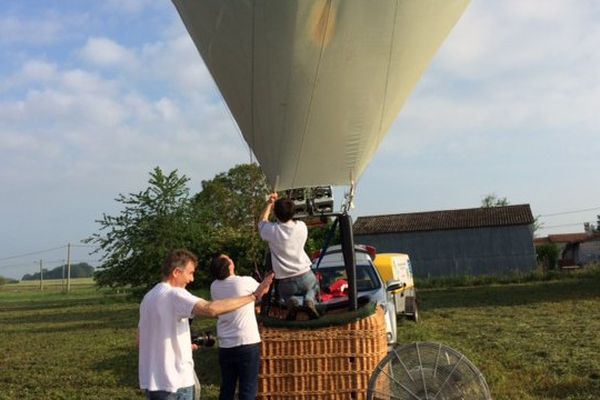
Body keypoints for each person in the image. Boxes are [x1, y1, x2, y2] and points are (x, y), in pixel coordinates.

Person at [138, 249, 273, 400]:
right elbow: (211, 309)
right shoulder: (176, 294)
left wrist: (182, 346)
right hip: (176, 383)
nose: (192, 279)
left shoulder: (148, 297)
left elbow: (141, 340)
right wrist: (253, 296)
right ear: (176, 272)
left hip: (154, 383)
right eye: (190, 273)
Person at [258, 192, 320, 320]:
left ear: (275, 214)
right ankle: (309, 299)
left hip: (285, 281)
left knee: (286, 296)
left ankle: (291, 302)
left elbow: (262, 221)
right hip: (305, 275)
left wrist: (270, 203)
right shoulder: (302, 227)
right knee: (314, 287)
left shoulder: (272, 231)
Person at [210, 254, 263, 400]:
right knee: (247, 390)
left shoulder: (214, 286)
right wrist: (268, 280)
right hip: (247, 342)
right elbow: (262, 293)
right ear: (230, 266)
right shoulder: (245, 282)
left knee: (227, 388)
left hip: (226, 345)